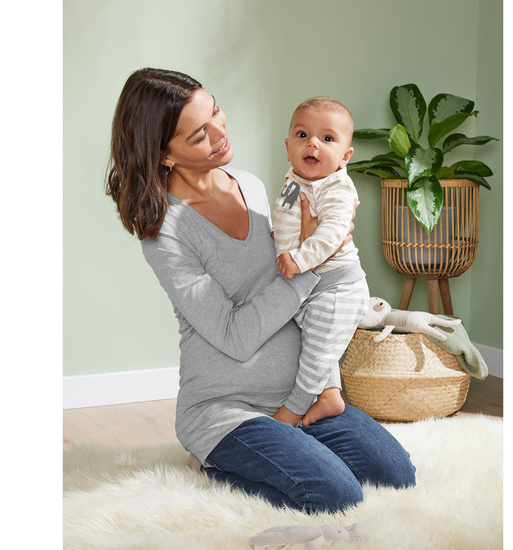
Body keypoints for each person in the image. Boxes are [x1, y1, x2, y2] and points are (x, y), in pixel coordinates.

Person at [105, 67, 418, 513]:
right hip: (225, 407)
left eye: (216, 112)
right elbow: (234, 336)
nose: (220, 134)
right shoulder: (166, 232)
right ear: (165, 154)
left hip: (298, 395)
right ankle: (212, 462)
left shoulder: (250, 185)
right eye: (199, 135)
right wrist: (311, 265)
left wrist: (318, 253)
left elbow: (299, 282)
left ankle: (289, 447)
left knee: (396, 476)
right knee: (336, 495)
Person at [273, 97, 368, 428]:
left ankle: (293, 410)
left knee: (316, 354)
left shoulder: (336, 187)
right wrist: (279, 242)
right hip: (308, 283)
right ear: (288, 147)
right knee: (312, 342)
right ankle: (329, 396)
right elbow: (285, 218)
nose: (312, 143)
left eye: (327, 138)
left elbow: (331, 235)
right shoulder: (293, 181)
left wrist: (297, 258)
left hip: (337, 286)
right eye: (302, 135)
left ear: (345, 156)